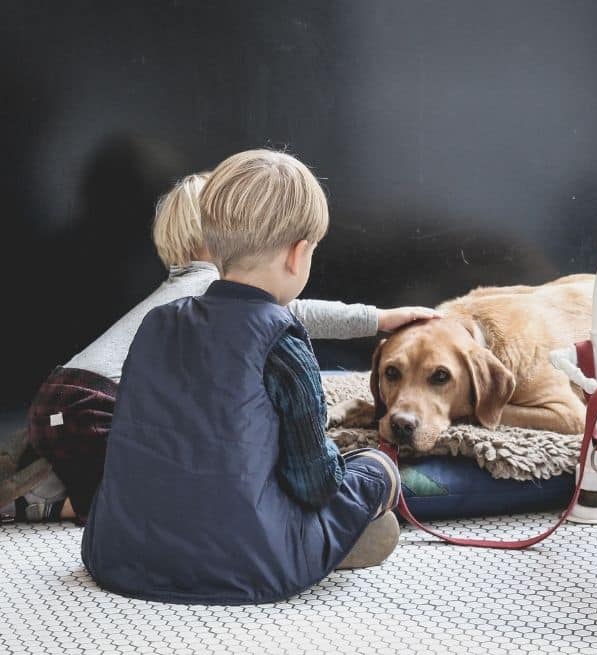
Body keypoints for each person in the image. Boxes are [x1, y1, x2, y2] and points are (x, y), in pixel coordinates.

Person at [81, 149, 433, 604]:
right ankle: (325, 541)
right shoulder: (282, 341)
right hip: (246, 563)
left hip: (119, 551)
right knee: (375, 468)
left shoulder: (157, 323)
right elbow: (316, 482)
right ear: (298, 254)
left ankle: (313, 539)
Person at [4, 167, 435, 526]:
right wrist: (376, 318)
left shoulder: (178, 292)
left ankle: (37, 473)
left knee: (112, 465)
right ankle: (34, 502)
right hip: (92, 405)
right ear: (218, 238)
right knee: (137, 498)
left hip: (62, 400)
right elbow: (295, 310)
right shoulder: (211, 290)